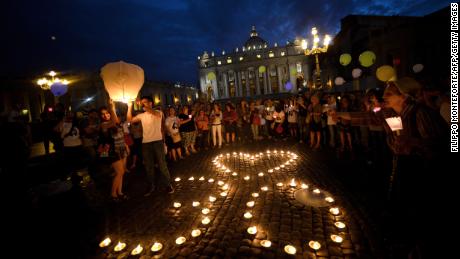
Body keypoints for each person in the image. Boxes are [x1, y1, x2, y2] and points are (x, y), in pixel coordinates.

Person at [381, 77, 448, 258]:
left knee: (420, 211)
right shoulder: (394, 114)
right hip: (402, 165)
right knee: (402, 205)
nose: (384, 96)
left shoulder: (419, 113)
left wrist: (413, 143)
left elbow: (439, 144)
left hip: (421, 169)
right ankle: (407, 243)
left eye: (389, 93)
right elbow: (367, 118)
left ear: (404, 95)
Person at [127, 96, 174, 196]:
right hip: (146, 143)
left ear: (151, 103)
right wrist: (129, 106)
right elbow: (130, 120)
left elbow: (158, 120)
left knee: (162, 165)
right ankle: (151, 185)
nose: (143, 104)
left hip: (157, 142)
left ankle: (168, 184)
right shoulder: (141, 115)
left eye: (145, 103)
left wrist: (164, 140)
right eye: (142, 103)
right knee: (148, 166)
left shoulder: (158, 113)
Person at [98, 101, 129, 201]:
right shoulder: (104, 125)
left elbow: (121, 133)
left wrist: (126, 145)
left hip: (121, 148)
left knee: (122, 172)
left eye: (107, 113)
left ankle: (119, 192)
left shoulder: (115, 121)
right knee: (119, 172)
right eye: (103, 114)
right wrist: (112, 107)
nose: (105, 115)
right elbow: (114, 122)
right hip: (113, 151)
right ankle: (113, 194)